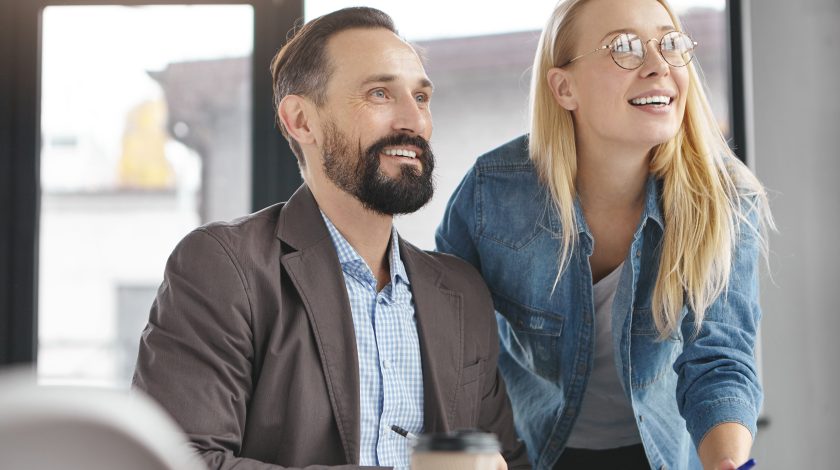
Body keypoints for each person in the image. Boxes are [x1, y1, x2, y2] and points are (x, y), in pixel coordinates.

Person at [133, 7, 529, 470]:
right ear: (302, 121)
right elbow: (174, 461)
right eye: (379, 93)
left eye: (421, 98)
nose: (414, 121)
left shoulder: (461, 291)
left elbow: (505, 460)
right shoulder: (224, 267)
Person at [436, 0, 773, 469]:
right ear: (563, 87)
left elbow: (720, 360)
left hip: (664, 454)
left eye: (670, 43)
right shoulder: (491, 192)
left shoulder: (725, 197)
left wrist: (727, 466)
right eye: (625, 47)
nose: (658, 66)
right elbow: (446, 349)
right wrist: (472, 452)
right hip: (528, 452)